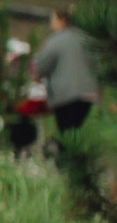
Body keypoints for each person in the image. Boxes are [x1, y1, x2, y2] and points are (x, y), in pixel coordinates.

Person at [30, 9, 100, 139]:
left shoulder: (56, 40)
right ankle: (73, 154)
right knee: (75, 130)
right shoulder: (87, 38)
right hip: (88, 93)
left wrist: (35, 76)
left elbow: (41, 65)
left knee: (66, 131)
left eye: (53, 20)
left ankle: (64, 155)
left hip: (65, 95)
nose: (51, 24)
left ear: (63, 21)